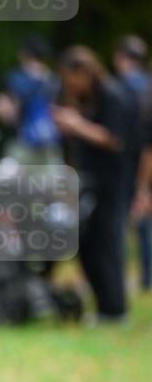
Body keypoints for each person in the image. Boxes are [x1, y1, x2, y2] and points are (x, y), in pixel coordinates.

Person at [54, 46, 134, 322]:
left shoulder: (112, 95)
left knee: (107, 243)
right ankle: (102, 307)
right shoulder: (85, 98)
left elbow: (115, 138)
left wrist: (76, 124)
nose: (69, 84)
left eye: (71, 78)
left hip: (111, 182)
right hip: (88, 181)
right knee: (87, 244)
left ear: (85, 72)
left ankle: (115, 309)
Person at [0, 35, 62, 166]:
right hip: (50, 146)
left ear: (25, 54)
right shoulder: (55, 80)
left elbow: (9, 114)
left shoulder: (17, 78)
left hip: (22, 146)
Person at [113, 35, 152, 291]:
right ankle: (147, 277)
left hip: (125, 163)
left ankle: (119, 276)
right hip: (147, 161)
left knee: (118, 220)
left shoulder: (117, 87)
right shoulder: (148, 85)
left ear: (120, 57)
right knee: (144, 222)